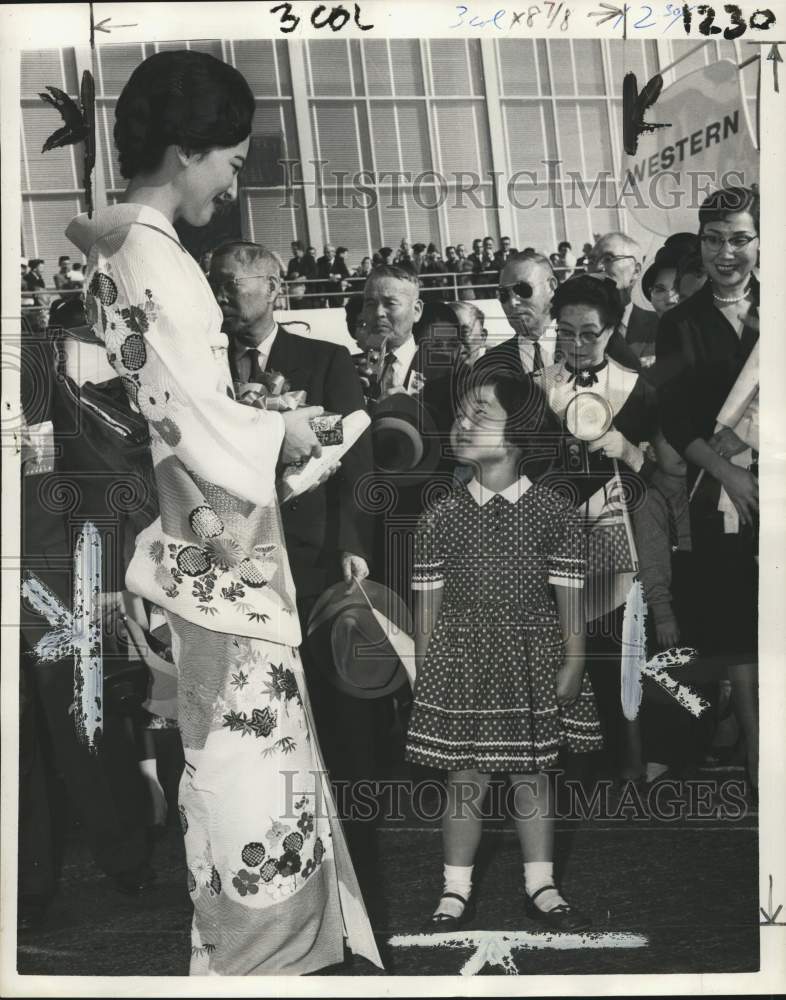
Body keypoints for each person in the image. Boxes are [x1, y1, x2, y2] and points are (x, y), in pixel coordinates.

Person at [66, 48, 380, 976]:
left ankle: (253, 960)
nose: (235, 181)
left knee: (236, 779)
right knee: (253, 784)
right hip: (220, 573)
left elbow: (177, 409)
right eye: (232, 159)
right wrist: (279, 437)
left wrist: (266, 424)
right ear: (186, 148)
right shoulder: (155, 258)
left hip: (187, 549)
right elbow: (192, 419)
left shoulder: (116, 250)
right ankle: (265, 968)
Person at [406, 369, 601, 931]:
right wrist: (428, 672)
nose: (462, 423)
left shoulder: (553, 513)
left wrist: (575, 660)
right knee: (464, 778)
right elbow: (427, 612)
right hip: (460, 664)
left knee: (532, 776)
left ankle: (540, 881)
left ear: (518, 435)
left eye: (480, 415)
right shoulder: (438, 516)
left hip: (532, 662)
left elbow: (570, 601)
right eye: (461, 413)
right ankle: (455, 887)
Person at [654, 185, 759, 793]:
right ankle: (760, 773)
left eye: (740, 239)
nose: (727, 253)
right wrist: (729, 474)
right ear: (701, 243)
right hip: (719, 499)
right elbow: (674, 417)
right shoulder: (677, 326)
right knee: (741, 641)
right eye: (715, 240)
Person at [535, 274, 659, 781]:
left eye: (590, 333)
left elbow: (662, 480)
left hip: (614, 534)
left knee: (614, 648)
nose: (578, 345)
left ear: (611, 331)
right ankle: (563, 766)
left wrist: (628, 451)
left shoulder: (637, 389)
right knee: (557, 648)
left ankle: (626, 764)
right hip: (550, 536)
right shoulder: (535, 387)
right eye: (566, 333)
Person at [588, 232, 654, 363]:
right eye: (591, 261)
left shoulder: (659, 324)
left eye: (608, 259)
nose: (597, 267)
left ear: (636, 271)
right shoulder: (576, 325)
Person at [285, 239, 316, 308]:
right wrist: (291, 275)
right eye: (293, 249)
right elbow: (287, 277)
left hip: (307, 293)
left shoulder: (309, 259)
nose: (295, 251)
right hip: (295, 293)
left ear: (301, 249)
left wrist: (305, 277)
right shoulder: (292, 262)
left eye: (296, 249)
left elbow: (315, 272)